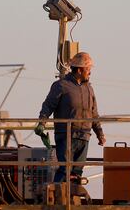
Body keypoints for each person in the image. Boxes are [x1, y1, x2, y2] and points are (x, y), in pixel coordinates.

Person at [35, 52, 106, 185]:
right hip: (66, 134)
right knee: (65, 169)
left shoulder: (89, 89)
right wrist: (41, 123)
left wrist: (99, 134)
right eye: (88, 69)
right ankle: (56, 197)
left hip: (84, 135)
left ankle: (72, 200)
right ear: (79, 70)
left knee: (77, 172)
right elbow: (48, 105)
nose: (90, 72)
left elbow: (94, 114)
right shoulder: (61, 85)